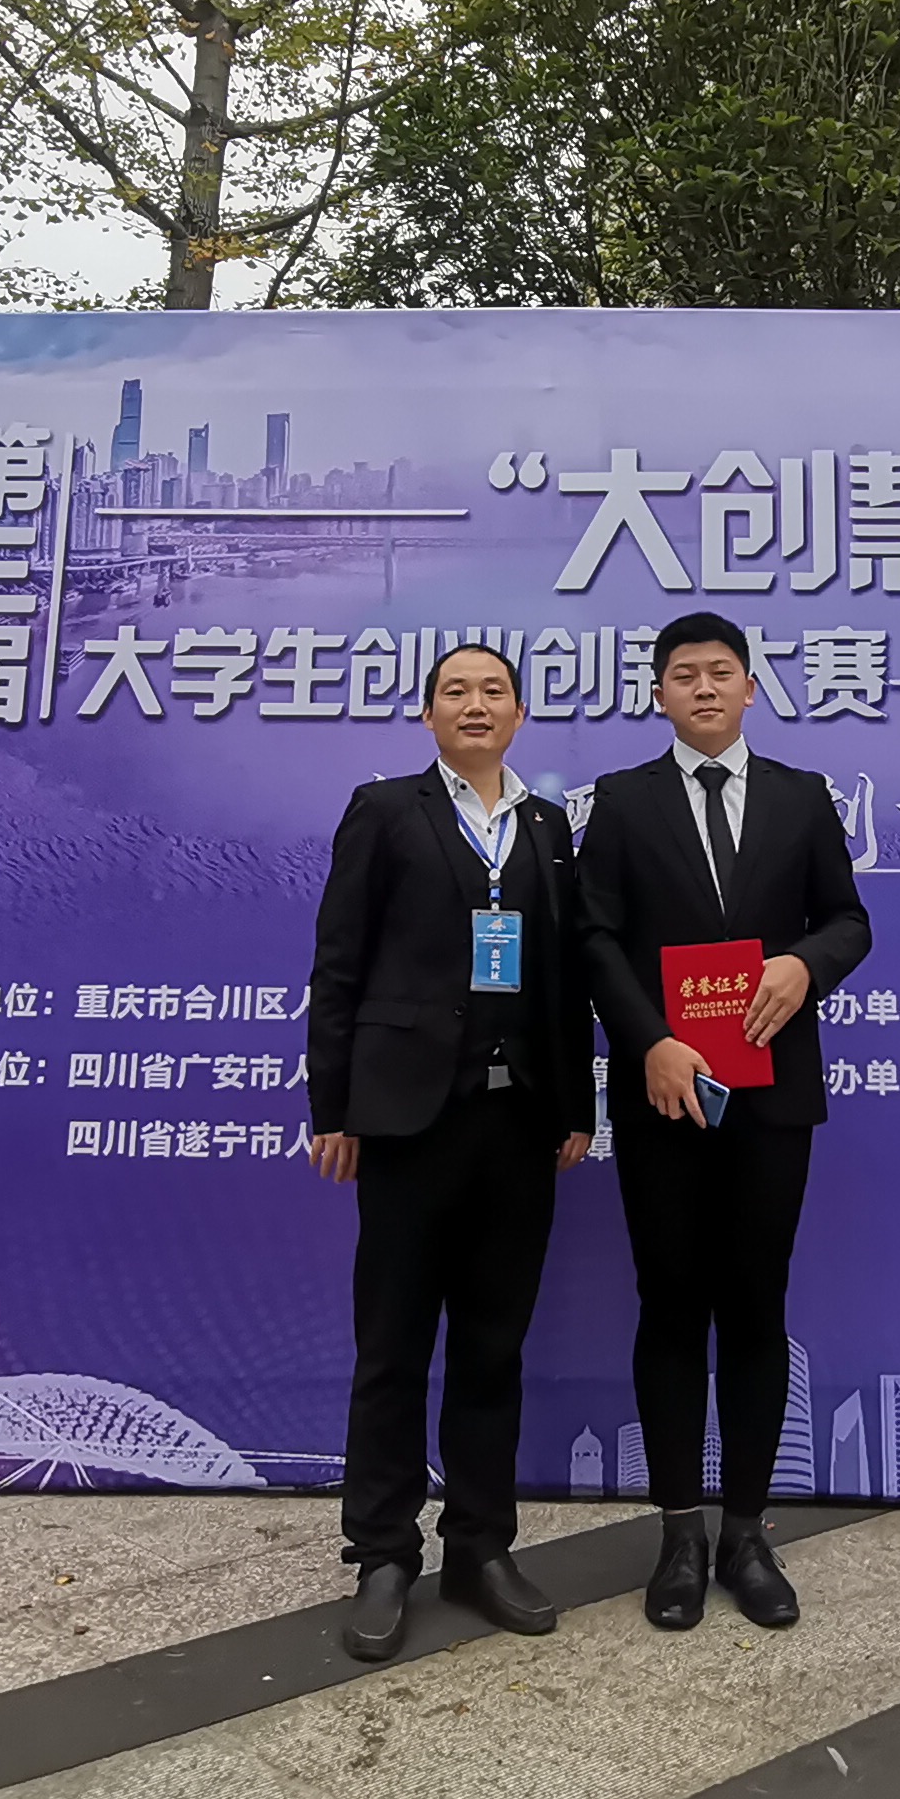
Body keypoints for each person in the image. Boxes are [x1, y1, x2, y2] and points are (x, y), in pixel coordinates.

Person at [579, 611, 871, 1634]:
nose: (703, 688)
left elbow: (850, 919)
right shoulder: (622, 801)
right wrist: (649, 1041)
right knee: (669, 1306)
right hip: (664, 1094)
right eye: (683, 674)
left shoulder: (801, 796)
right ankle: (678, 1534)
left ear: (751, 688)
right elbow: (594, 936)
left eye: (720, 672)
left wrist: (804, 964)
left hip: (771, 1093)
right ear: (659, 694)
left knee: (755, 1305)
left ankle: (746, 1533)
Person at [306, 645, 596, 1664]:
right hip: (405, 1121)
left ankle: (480, 1547)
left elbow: (563, 978)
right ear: (428, 714)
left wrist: (576, 1105)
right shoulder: (386, 811)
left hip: (519, 1127)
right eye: (455, 692)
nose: (475, 705)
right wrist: (333, 1106)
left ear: (519, 715)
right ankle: (384, 1554)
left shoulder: (548, 827)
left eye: (493, 692)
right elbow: (339, 963)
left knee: (492, 1350)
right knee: (391, 1348)